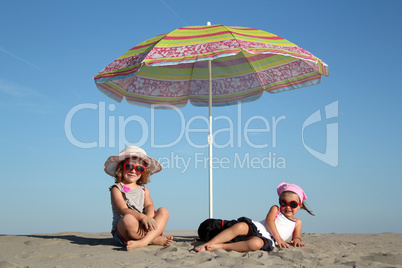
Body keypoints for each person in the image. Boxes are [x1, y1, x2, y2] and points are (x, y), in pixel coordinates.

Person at [195, 182, 314, 253]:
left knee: (256, 244)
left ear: (299, 205)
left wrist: (297, 239)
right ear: (279, 202)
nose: (288, 207)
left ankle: (220, 246)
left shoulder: (297, 222)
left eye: (292, 204)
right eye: (283, 203)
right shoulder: (275, 209)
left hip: (268, 239)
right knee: (241, 226)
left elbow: (296, 236)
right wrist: (278, 238)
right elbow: (269, 221)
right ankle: (210, 243)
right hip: (259, 228)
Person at [105, 146, 172, 251]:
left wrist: (149, 216)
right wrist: (142, 217)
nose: (133, 171)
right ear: (121, 168)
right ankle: (152, 240)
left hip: (144, 226)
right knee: (128, 219)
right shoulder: (117, 189)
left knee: (163, 211)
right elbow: (123, 210)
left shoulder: (143, 189)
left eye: (139, 168)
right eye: (129, 167)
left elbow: (149, 205)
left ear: (143, 172)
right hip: (126, 230)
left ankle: (144, 241)